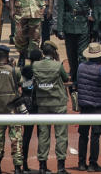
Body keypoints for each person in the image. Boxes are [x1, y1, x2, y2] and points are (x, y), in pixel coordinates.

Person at [32, 41, 71, 174]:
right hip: (58, 102)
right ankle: (61, 166)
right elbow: (65, 79)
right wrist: (58, 61)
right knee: (61, 135)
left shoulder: (35, 65)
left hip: (42, 103)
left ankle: (42, 165)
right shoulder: (57, 65)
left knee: (43, 134)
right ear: (54, 52)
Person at [75, 42, 101, 170]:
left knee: (83, 134)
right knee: (95, 135)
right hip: (97, 105)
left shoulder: (81, 66)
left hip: (84, 104)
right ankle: (93, 163)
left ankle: (81, 163)